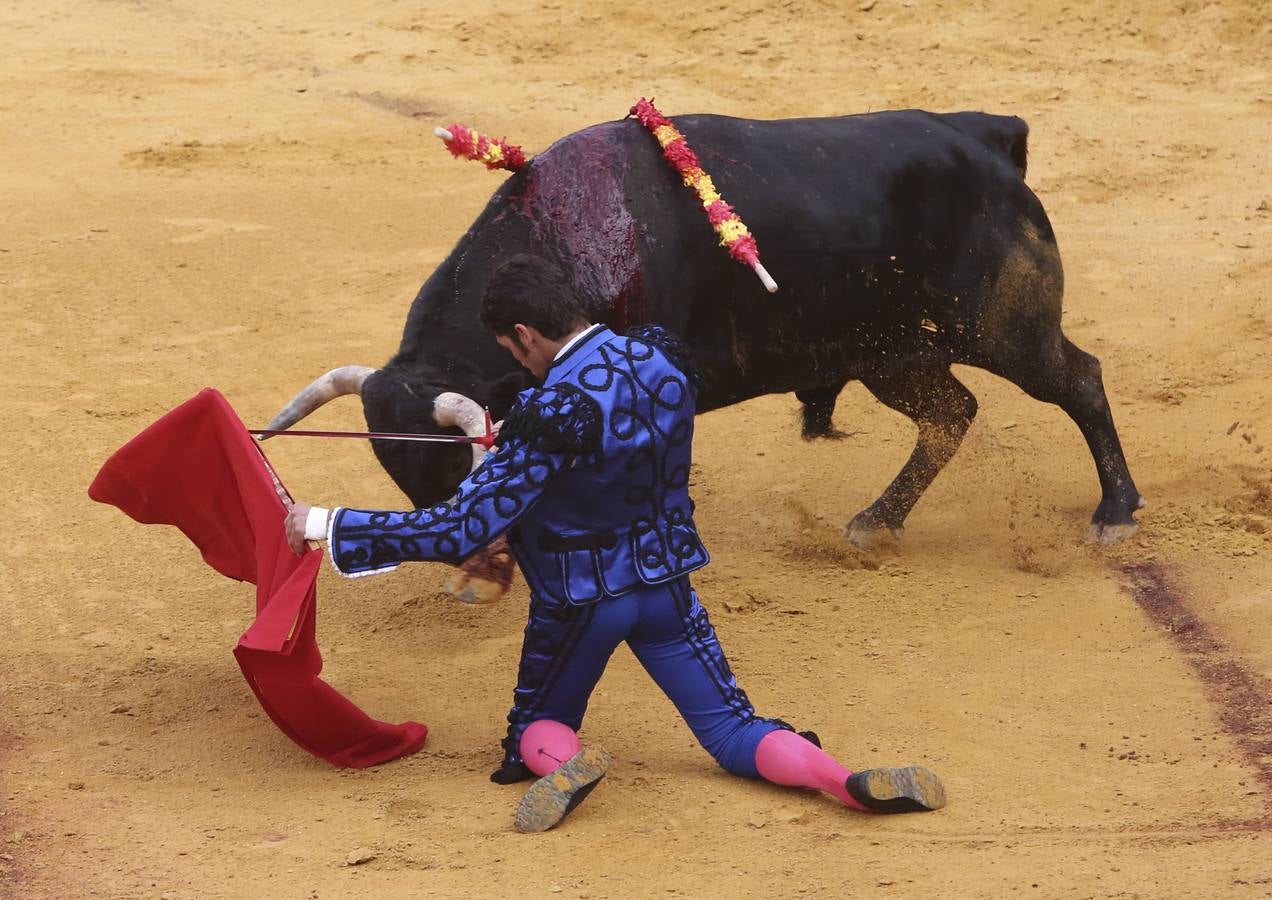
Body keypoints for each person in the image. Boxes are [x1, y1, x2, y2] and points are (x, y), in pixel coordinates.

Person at [285, 254, 946, 832]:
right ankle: (843, 781)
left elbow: (461, 529)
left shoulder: (549, 415)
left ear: (526, 334)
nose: (519, 363)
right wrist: (526, 441)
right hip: (665, 584)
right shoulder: (660, 358)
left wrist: (324, 522)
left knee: (536, 727)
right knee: (732, 728)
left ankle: (565, 763)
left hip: (581, 600)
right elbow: (611, 437)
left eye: (514, 351)